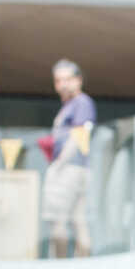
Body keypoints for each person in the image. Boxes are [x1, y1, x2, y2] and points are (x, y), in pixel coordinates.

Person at [42, 58, 96, 257]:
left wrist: (58, 165)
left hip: (69, 169)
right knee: (78, 220)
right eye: (58, 80)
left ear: (78, 80)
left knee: (58, 221)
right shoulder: (70, 105)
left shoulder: (82, 102)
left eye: (67, 79)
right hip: (75, 169)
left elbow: (78, 136)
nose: (62, 84)